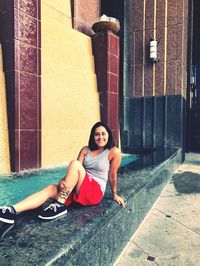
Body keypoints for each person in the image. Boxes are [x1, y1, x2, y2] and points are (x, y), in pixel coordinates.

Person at [0, 121, 125, 224]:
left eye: (103, 134)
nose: (100, 137)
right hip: (78, 187)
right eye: (97, 134)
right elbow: (75, 172)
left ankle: (59, 205)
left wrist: (114, 194)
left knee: (75, 164)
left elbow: (112, 175)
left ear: (108, 135)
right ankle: (12, 210)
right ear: (92, 136)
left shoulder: (114, 151)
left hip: (94, 191)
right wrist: (62, 181)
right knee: (51, 188)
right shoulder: (85, 150)